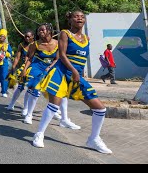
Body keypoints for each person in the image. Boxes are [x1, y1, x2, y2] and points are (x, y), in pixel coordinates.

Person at [32, 10, 112, 154]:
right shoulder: (65, 33)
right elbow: (61, 55)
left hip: (76, 75)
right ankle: (39, 134)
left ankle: (94, 138)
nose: (80, 18)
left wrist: (79, 74)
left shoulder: (87, 38)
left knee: (100, 108)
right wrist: (74, 71)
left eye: (82, 17)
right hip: (61, 72)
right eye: (76, 16)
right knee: (54, 105)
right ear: (71, 20)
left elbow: (82, 60)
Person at [6, 30, 34, 112]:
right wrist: (13, 67)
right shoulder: (21, 45)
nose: (27, 38)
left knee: (30, 88)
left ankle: (26, 108)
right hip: (24, 67)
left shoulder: (36, 44)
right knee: (20, 87)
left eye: (29, 36)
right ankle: (12, 103)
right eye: (26, 36)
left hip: (33, 68)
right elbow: (17, 58)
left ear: (33, 37)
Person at [0, 29, 12, 98]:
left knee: (4, 77)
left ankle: (3, 91)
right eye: (0, 36)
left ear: (5, 37)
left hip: (4, 63)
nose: (1, 37)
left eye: (2, 36)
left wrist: (5, 52)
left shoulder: (7, 45)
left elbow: (11, 54)